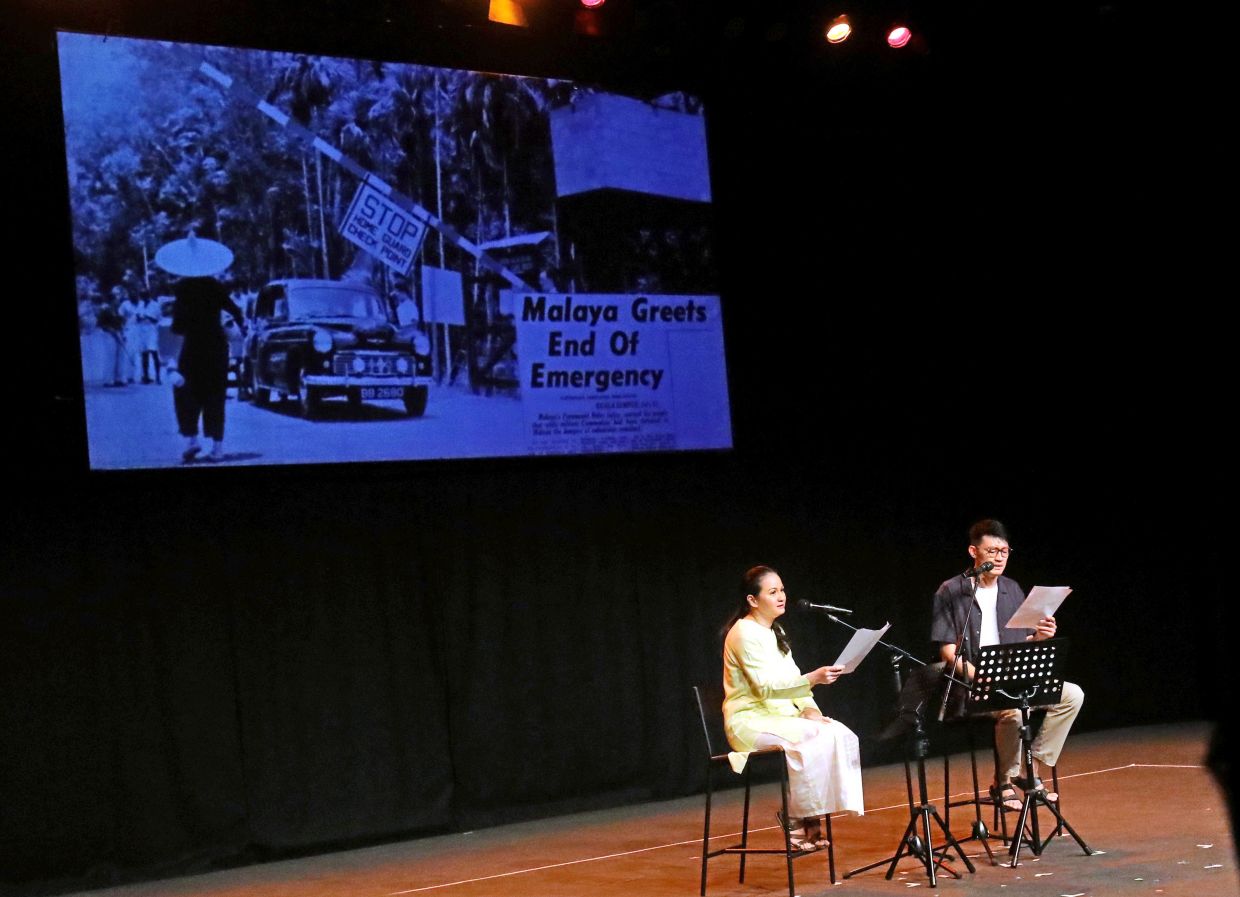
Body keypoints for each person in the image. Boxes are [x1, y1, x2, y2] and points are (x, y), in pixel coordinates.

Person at [930, 519, 1084, 812]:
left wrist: (1040, 637)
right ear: (974, 552)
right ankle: (1003, 782)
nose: (999, 558)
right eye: (992, 551)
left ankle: (1030, 771)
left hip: (1014, 678)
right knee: (1012, 711)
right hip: (973, 684)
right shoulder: (951, 590)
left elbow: (1023, 640)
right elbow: (948, 650)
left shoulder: (1012, 589)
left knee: (1072, 695)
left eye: (1004, 551)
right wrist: (981, 677)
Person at [722, 565, 865, 851]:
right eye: (772, 592)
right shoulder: (743, 633)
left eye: (782, 590)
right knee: (811, 737)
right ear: (752, 600)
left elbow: (792, 676)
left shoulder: (776, 630)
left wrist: (810, 709)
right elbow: (765, 688)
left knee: (837, 732)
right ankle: (798, 816)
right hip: (749, 721)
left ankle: (810, 815)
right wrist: (814, 679)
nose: (781, 596)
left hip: (780, 716)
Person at [155, 233, 244, 463]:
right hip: (216, 349)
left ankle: (192, 439)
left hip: (191, 349)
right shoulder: (215, 286)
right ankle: (217, 448)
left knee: (186, 393)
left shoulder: (183, 288)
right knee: (215, 396)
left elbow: (178, 326)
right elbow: (236, 312)